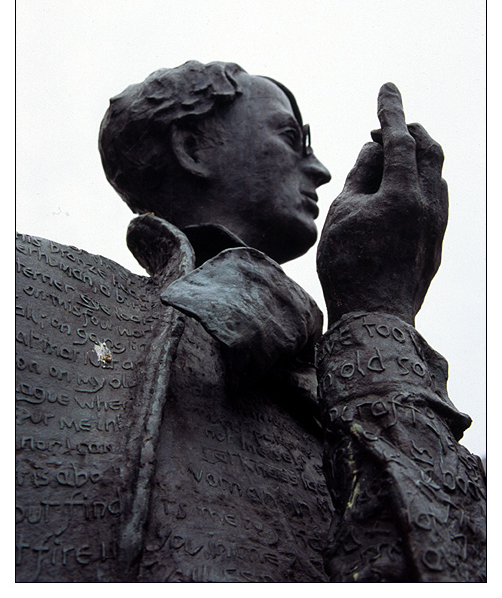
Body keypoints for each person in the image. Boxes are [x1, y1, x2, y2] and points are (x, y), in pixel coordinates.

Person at [15, 61, 485, 582]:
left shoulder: (327, 384)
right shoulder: (27, 281)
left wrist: (377, 315)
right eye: (291, 137)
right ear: (193, 148)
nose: (322, 171)